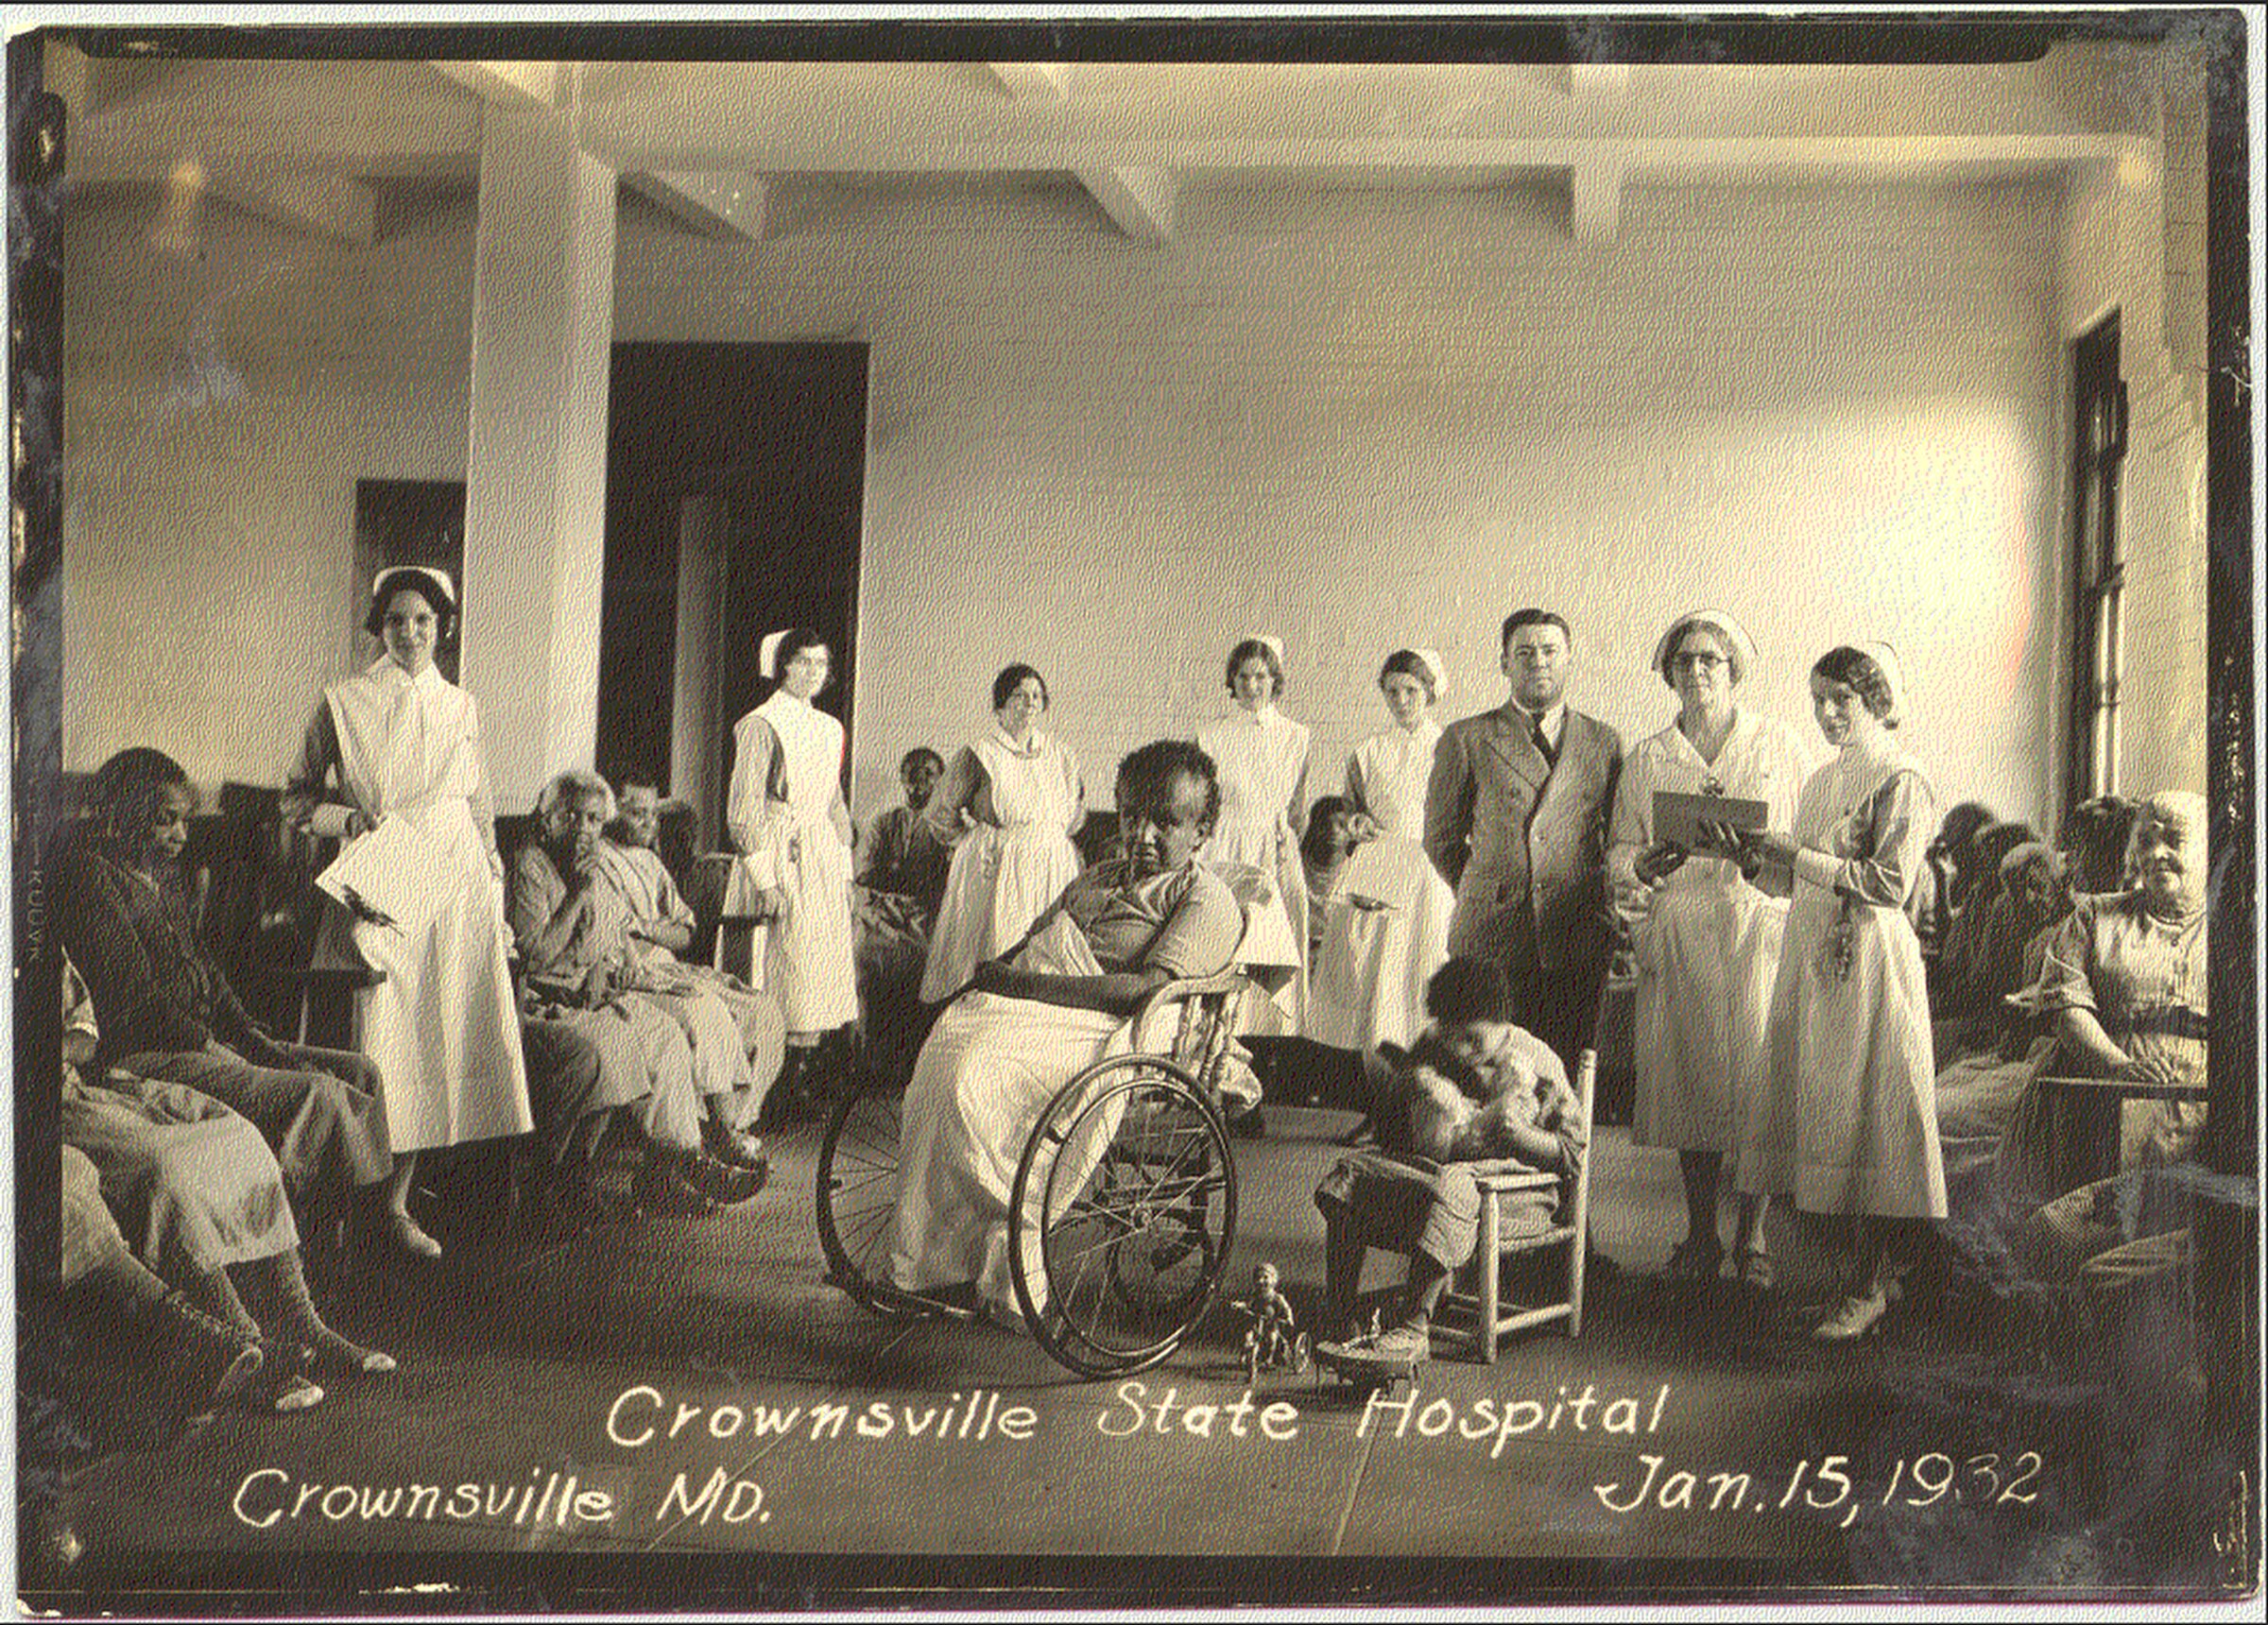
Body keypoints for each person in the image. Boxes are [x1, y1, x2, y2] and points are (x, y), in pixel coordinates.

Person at [887, 741, 1245, 1327]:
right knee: (945, 1055)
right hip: (1042, 1003)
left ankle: (1003, 1230)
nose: (1144, 834)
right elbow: (1037, 942)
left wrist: (1023, 988)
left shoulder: (1206, 899)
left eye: (1166, 821)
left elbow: (1142, 991)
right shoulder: (1098, 877)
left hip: (1111, 1026)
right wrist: (990, 977)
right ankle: (932, 1262)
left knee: (974, 1073)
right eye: (1132, 816)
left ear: (1202, 831)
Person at [282, 566, 532, 1258]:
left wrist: (493, 883)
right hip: (382, 866)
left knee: (440, 1039)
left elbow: (477, 805)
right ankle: (349, 1206)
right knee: (378, 1037)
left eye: (424, 620)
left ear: (443, 627)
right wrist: (350, 818)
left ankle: (397, 1206)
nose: (411, 632)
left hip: (455, 882)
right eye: (397, 620)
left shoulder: (463, 706)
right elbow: (297, 800)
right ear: (378, 626)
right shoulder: (342, 700)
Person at [55, 748, 393, 1239]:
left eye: (184, 821)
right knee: (315, 1091)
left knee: (361, 1072)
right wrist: (223, 1051)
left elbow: (209, 975)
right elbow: (137, 998)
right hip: (148, 1054)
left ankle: (369, 1217)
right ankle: (314, 1237)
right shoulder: (92, 877)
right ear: (124, 813)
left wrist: (259, 1043)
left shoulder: (163, 880)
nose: (181, 836)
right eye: (165, 821)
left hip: (205, 1043)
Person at [60, 954, 390, 1411]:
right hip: (47, 1108)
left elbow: (83, 1039)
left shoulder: (38, 950)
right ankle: (245, 1341)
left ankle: (301, 1319)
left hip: (87, 1086)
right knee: (166, 1166)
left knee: (241, 1137)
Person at [1731, 642, 1942, 1342]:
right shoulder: (1823, 780)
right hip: (1813, 955)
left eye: (1841, 701)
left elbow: (1889, 884)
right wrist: (1756, 859)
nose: (1826, 714)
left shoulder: (1902, 777)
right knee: (1827, 1115)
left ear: (1875, 700)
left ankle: (1872, 1284)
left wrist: (1796, 856)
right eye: (1818, 700)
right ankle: (1855, 1280)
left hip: (1872, 961)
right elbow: (1793, 881)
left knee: (1871, 1114)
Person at [1606, 609, 1814, 1292]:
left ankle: (1753, 1239)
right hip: (1685, 925)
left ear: (1734, 670)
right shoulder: (1649, 755)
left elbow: (1803, 841)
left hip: (1755, 925)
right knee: (1690, 1082)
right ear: (1668, 673)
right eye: (1685, 661)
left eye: (1710, 661)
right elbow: (1621, 850)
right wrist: (1647, 866)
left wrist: (1759, 854)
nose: (1697, 672)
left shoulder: (1777, 746)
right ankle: (1700, 1234)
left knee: (1756, 1082)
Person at [509, 771, 768, 1215]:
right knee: (619, 1046)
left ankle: (679, 1163)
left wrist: (617, 964)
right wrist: (577, 896)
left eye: (593, 819)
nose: (583, 829)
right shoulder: (531, 865)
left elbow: (611, 935)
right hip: (545, 999)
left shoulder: (591, 866)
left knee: (666, 1036)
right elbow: (534, 956)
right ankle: (572, 1178)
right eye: (571, 816)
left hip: (594, 992)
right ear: (547, 818)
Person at [1312, 958, 1586, 1368]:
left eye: (1473, 1040)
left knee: (1454, 1183)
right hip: (1443, 1173)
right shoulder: (1437, 1042)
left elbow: (1573, 1157)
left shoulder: (1536, 1058)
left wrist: (1518, 1134)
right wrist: (1402, 1089)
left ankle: (1413, 1325)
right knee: (1352, 1172)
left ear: (1501, 1020)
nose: (1461, 1051)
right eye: (1452, 1037)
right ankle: (1340, 1308)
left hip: (1516, 1192)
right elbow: (1394, 1137)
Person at [1424, 608, 1623, 1073]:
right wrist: (1492, 883)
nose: (1539, 662)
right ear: (1504, 663)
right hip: (1493, 930)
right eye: (1525, 652)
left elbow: (1615, 837)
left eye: (1550, 651)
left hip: (1575, 931)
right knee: (1483, 1070)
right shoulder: (1467, 738)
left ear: (1568, 659)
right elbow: (1441, 839)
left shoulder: (1604, 741)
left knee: (1563, 1070)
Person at [1994, 792, 2209, 1212]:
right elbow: (2068, 1008)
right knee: (2073, 1222)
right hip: (2091, 1087)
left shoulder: (2236, 926)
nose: (2157, 853)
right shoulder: (2093, 917)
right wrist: (2119, 1066)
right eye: (2146, 841)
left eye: (2174, 840)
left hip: (2194, 1101)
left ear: (2209, 845)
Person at [595, 778, 785, 1150]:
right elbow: (621, 937)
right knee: (703, 1011)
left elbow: (685, 933)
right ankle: (718, 1131)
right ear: (613, 814)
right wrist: (655, 932)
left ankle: (738, 1121)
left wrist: (649, 929)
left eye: (653, 813)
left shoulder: (650, 861)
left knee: (762, 1013)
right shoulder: (599, 860)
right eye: (638, 814)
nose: (650, 823)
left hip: (669, 964)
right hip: (634, 974)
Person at [726, 627, 859, 1119]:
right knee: (779, 972)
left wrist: (844, 877)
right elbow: (741, 814)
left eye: (821, 664)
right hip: (777, 856)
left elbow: (835, 804)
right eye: (803, 662)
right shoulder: (761, 725)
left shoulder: (828, 728)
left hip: (820, 858)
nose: (813, 673)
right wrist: (766, 880)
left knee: (815, 975)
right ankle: (762, 1092)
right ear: (782, 666)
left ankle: (798, 1081)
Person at [1310, 649, 1455, 1054]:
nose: (1401, 700)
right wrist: (1358, 823)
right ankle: (1376, 1070)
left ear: (1429, 692)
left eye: (1411, 690)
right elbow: (1353, 809)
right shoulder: (1369, 751)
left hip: (1428, 874)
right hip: (1381, 868)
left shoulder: (1449, 746)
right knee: (1374, 974)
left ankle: (1424, 1068)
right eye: (1392, 691)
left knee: (1420, 969)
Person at [919, 664, 1086, 1003]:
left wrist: (1049, 840)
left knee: (1047, 956)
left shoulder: (1060, 754)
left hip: (1051, 867)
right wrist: (972, 843)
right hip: (998, 868)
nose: (1029, 704)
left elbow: (1075, 812)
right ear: (999, 706)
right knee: (999, 950)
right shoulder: (980, 754)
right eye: (1020, 696)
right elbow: (939, 814)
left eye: (1036, 696)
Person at [854, 748, 954, 1080]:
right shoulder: (883, 823)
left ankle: (911, 1065)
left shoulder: (946, 831)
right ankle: (867, 1064)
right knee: (863, 960)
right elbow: (866, 877)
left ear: (941, 782)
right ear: (901, 778)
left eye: (928, 775)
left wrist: (900, 878)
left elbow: (943, 885)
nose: (919, 783)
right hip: (880, 915)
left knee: (925, 966)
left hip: (924, 919)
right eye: (912, 774)